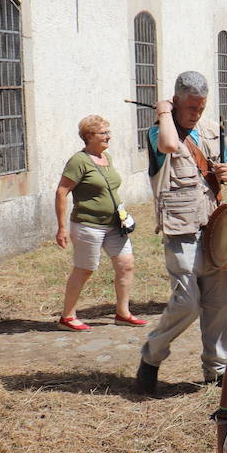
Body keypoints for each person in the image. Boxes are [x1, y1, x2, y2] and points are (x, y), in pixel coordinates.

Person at [132, 72, 227, 393]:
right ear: (175, 101)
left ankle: (216, 370)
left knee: (220, 302)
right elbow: (169, 144)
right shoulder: (157, 132)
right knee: (187, 303)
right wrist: (163, 113)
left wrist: (226, 172)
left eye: (201, 107)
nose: (196, 113)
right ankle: (151, 356)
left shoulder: (210, 131)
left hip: (213, 225)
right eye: (190, 107)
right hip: (180, 229)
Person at [54, 114, 144, 331]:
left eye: (108, 132)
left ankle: (122, 313)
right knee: (85, 269)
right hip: (88, 225)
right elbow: (62, 191)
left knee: (126, 264)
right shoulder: (79, 161)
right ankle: (67, 316)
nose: (108, 137)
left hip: (115, 224)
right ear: (88, 136)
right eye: (103, 133)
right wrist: (62, 227)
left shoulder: (107, 158)